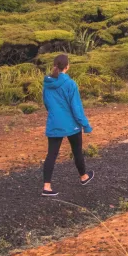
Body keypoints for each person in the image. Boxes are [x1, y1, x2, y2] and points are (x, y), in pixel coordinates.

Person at [41, 54, 94, 196]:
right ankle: (83, 177)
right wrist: (86, 125)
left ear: (55, 66)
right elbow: (76, 107)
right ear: (67, 66)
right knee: (77, 151)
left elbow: (47, 104)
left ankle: (47, 187)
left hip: (54, 122)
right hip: (71, 124)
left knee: (51, 154)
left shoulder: (47, 84)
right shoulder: (70, 84)